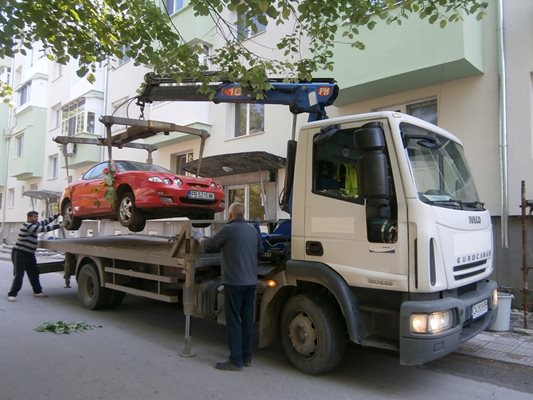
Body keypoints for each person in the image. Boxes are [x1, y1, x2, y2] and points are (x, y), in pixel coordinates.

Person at [192, 202, 264, 371]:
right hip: (251, 282)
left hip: (234, 282)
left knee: (233, 321)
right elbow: (260, 251)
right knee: (247, 321)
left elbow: (209, 245)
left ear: (231, 215)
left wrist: (197, 237)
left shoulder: (228, 229)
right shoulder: (252, 230)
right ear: (243, 215)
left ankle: (235, 361)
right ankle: (247, 358)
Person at [7, 211, 65, 302]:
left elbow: (45, 222)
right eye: (34, 217)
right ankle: (12, 294)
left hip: (29, 254)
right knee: (19, 275)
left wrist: (57, 215)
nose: (36, 219)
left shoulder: (35, 223)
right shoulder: (27, 226)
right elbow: (43, 229)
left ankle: (37, 291)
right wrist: (59, 226)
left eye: (37, 217)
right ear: (29, 217)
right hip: (20, 253)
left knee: (34, 272)